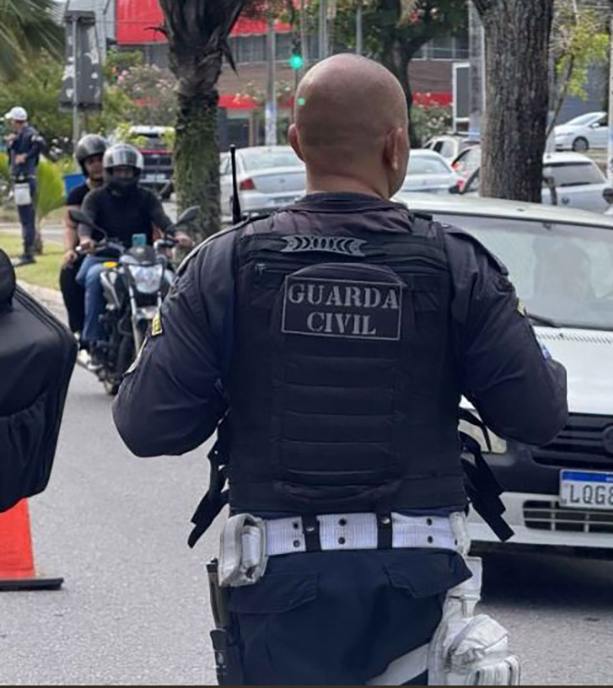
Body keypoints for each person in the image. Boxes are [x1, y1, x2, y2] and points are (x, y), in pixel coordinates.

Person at [112, 54, 568, 685]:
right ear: (396, 145)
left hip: (279, 589)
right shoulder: (459, 266)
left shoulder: (226, 265)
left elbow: (148, 425)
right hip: (416, 586)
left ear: (297, 144)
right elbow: (538, 414)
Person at [77, 143, 188, 358]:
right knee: (91, 276)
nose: (123, 175)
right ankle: (94, 339)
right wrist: (85, 238)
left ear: (136, 172)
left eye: (127, 171)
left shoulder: (146, 197)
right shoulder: (95, 198)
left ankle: (180, 337)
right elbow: (86, 221)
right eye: (119, 171)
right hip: (107, 255)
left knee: (172, 278)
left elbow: (161, 219)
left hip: (142, 258)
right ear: (109, 172)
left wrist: (177, 235)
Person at [62, 135, 108, 338]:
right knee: (69, 273)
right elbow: (71, 226)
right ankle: (80, 329)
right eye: (91, 161)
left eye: (101, 159)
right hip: (91, 249)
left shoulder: (121, 188)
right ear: (83, 165)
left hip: (122, 248)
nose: (97, 165)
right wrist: (70, 250)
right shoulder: (77, 195)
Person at [4, 107, 45, 266]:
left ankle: (28, 252)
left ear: (16, 121)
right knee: (25, 217)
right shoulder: (21, 135)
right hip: (21, 180)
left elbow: (39, 143)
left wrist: (25, 157)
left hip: (24, 180)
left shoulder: (28, 133)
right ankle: (27, 250)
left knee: (26, 217)